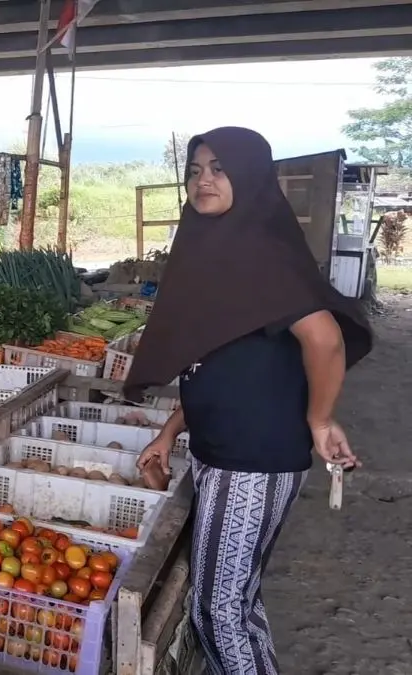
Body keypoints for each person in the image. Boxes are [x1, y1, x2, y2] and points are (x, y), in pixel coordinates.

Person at [125, 127, 372, 674]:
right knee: (237, 602)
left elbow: (324, 337)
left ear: (252, 176)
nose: (203, 180)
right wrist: (170, 431)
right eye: (195, 169)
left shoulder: (260, 252)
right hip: (224, 451)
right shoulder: (219, 249)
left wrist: (320, 418)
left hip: (252, 460)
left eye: (219, 167)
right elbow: (212, 357)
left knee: (217, 611)